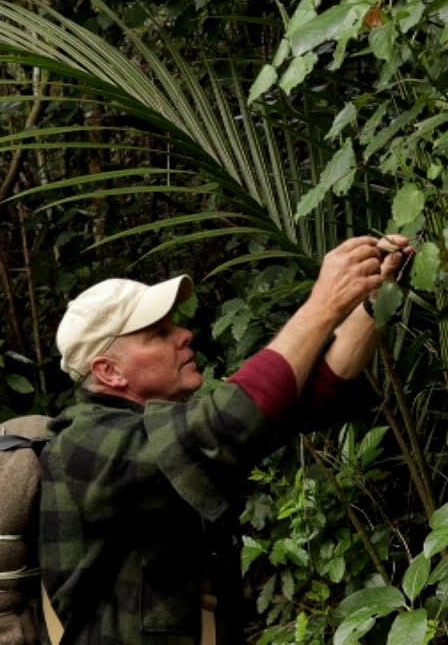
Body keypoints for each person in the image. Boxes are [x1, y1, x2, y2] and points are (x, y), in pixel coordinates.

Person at [39, 234, 413, 644]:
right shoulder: (81, 445)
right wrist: (323, 305)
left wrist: (375, 298)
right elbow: (226, 424)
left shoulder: (153, 430)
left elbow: (301, 401)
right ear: (110, 371)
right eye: (158, 333)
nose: (183, 334)